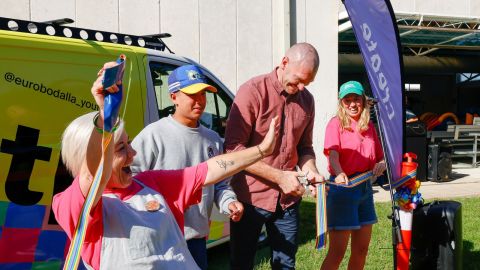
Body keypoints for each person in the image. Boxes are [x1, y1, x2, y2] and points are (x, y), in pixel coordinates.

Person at [52, 62, 279, 270]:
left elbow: (210, 169)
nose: (133, 153)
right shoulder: (73, 204)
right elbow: (92, 178)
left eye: (129, 144)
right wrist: (106, 114)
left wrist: (261, 150)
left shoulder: (150, 182)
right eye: (121, 148)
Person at [130, 64, 243, 270]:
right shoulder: (153, 135)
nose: (199, 100)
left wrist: (229, 202)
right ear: (174, 97)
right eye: (192, 94)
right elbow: (131, 180)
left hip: (196, 238)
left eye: (203, 93)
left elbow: (219, 184)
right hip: (160, 238)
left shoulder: (212, 139)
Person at [224, 42, 324, 270]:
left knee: (286, 265)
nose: (300, 88)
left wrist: (312, 171)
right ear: (284, 62)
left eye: (306, 83)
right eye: (298, 80)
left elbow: (305, 148)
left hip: (288, 201)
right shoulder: (253, 91)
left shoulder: (307, 100)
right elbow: (233, 149)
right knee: (241, 264)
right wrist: (279, 177)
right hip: (250, 198)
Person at [321, 81, 386, 270]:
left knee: (361, 250)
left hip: (365, 189)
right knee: (337, 252)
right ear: (341, 103)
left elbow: (380, 157)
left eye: (356, 99)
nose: (352, 104)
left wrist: (381, 165)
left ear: (363, 100)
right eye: (347, 100)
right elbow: (332, 155)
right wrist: (340, 172)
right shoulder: (335, 124)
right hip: (343, 190)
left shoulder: (369, 126)